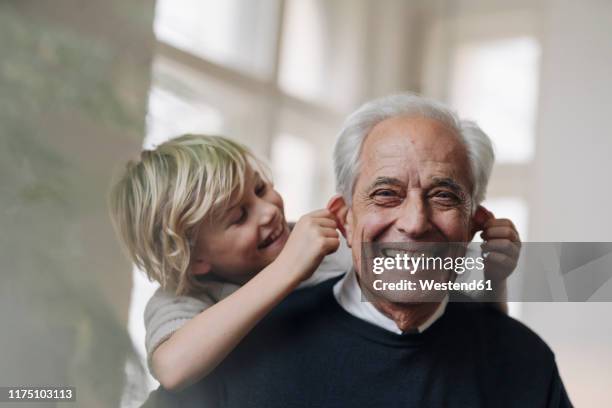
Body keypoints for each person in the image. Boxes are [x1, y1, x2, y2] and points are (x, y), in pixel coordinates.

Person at [143, 94, 569, 407]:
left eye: (443, 196)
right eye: (386, 194)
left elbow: (487, 340)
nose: (414, 223)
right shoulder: (217, 341)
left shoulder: (525, 361)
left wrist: (493, 284)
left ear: (474, 220)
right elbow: (174, 366)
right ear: (344, 218)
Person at [110, 133, 516, 393]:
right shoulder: (185, 298)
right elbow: (173, 369)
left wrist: (493, 278)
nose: (268, 211)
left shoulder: (328, 242)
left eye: (261, 189)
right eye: (238, 216)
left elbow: (471, 335)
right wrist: (288, 269)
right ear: (195, 257)